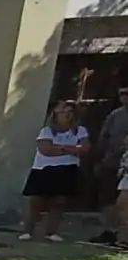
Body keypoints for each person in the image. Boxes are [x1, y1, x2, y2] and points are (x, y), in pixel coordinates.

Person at [20, 100, 89, 242]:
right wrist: (71, 149)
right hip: (44, 169)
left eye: (71, 113)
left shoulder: (80, 131)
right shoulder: (46, 131)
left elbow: (85, 148)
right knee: (36, 202)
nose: (68, 116)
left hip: (67, 169)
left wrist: (61, 148)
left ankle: (51, 232)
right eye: (64, 112)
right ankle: (28, 231)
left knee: (59, 202)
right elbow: (46, 150)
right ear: (56, 114)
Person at [89, 85, 128, 244]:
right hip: (111, 163)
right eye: (122, 93)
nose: (125, 96)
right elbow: (103, 137)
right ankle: (109, 231)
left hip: (125, 165)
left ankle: (123, 235)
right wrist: (99, 159)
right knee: (108, 199)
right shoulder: (116, 115)